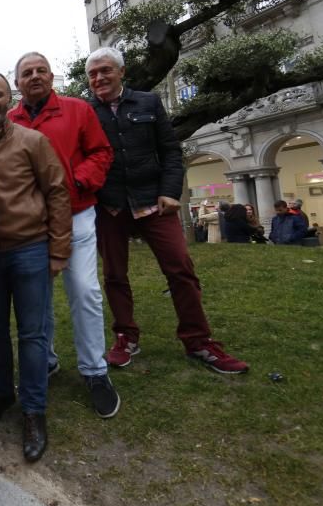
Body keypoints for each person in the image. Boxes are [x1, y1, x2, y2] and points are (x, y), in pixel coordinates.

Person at [86, 47, 248, 375]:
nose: (99, 78)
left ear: (121, 72)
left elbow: (170, 151)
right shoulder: (85, 111)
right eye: (92, 74)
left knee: (180, 269)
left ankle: (198, 340)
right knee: (114, 275)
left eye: (105, 70)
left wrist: (171, 192)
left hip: (153, 202)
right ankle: (125, 337)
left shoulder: (148, 102)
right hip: (111, 205)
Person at [0, 73, 72, 462]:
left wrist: (59, 250)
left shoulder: (33, 141)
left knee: (33, 334)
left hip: (29, 249)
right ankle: (0, 395)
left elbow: (57, 192)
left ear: (9, 99)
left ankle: (33, 410)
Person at [8, 51, 121, 420]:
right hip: (29, 223)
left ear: (52, 76)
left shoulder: (78, 110)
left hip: (76, 215)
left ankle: (95, 370)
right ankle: (47, 361)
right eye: (27, 73)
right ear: (18, 82)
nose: (35, 76)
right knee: (35, 300)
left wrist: (77, 181)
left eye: (41, 70)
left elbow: (101, 152)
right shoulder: (9, 120)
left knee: (84, 291)